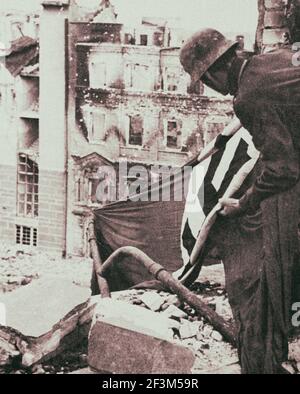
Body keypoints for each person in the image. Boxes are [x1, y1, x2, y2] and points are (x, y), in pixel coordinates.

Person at [180, 28, 300, 374]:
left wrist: (244, 203)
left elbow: (284, 170)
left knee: (273, 259)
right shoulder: (271, 60)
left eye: (205, 80)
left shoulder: (247, 96)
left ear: (216, 71)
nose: (210, 87)